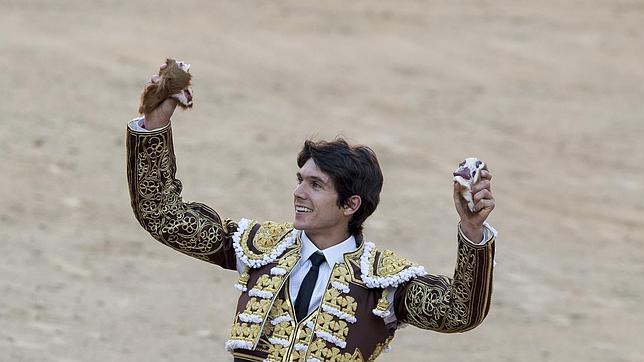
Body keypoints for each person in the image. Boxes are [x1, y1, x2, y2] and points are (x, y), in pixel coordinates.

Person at [126, 68, 497, 362]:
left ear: (351, 205)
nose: (298, 193)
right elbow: (164, 217)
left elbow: (458, 312)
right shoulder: (260, 248)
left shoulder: (383, 282)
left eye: (316, 186)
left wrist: (471, 231)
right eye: (300, 180)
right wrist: (155, 126)